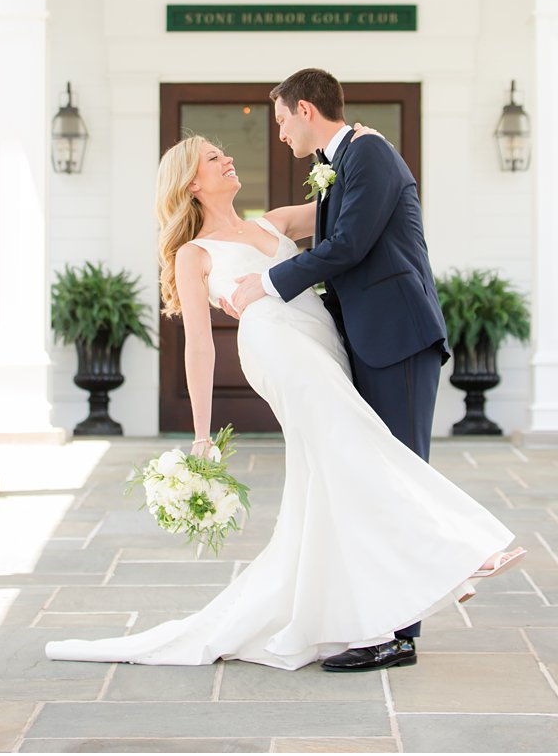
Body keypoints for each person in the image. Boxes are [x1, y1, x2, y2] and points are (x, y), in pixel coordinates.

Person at [45, 135, 525, 672]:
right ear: (192, 184)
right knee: (357, 443)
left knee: (335, 475)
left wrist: (361, 141)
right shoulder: (193, 254)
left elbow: (352, 205)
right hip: (278, 349)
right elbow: (199, 347)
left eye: (223, 151)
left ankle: (374, 603)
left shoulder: (273, 221)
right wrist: (201, 434)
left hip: (325, 345)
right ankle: (463, 550)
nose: (228, 157)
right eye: (212, 157)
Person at [224, 68, 467, 671]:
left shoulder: (370, 152)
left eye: (281, 120)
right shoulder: (345, 159)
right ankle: (387, 623)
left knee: (399, 480)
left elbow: (351, 244)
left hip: (399, 339)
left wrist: (269, 283)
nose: (278, 134)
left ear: (305, 110)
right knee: (376, 480)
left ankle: (395, 633)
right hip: (370, 341)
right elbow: (330, 224)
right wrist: (276, 223)